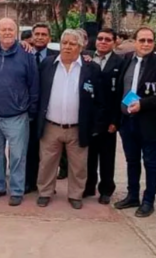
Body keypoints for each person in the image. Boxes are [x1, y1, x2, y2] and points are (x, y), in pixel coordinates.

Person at [34, 29, 107, 209]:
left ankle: (75, 194)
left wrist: (96, 125)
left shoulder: (91, 68)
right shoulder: (47, 64)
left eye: (72, 44)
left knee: (78, 165)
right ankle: (45, 192)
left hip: (78, 126)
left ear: (81, 47)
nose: (67, 47)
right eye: (64, 43)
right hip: (51, 125)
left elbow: (100, 99)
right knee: (47, 162)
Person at [113, 27, 156, 218]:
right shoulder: (126, 60)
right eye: (142, 40)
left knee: (151, 162)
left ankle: (148, 200)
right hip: (127, 122)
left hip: (150, 122)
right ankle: (132, 195)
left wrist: (144, 104)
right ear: (135, 41)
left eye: (149, 40)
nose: (146, 44)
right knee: (132, 161)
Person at [0, 18, 39, 206]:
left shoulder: (26, 54)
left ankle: (16, 190)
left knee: (17, 156)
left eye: (10, 29)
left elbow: (34, 85)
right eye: (3, 29)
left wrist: (31, 111)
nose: (6, 32)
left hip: (17, 116)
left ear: (16, 32)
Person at [86, 28, 122, 204]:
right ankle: (88, 186)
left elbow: (121, 94)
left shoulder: (120, 62)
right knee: (88, 155)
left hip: (108, 118)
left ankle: (106, 189)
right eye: (100, 38)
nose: (103, 41)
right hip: (89, 117)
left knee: (106, 157)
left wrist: (116, 120)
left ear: (114, 42)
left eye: (108, 39)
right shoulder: (86, 59)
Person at [26, 23, 61, 194]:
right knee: (29, 148)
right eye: (37, 34)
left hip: (49, 111)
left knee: (48, 153)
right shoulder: (23, 53)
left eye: (43, 34)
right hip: (28, 109)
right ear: (32, 36)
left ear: (49, 38)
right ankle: (29, 182)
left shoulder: (58, 57)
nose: (40, 37)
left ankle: (47, 185)